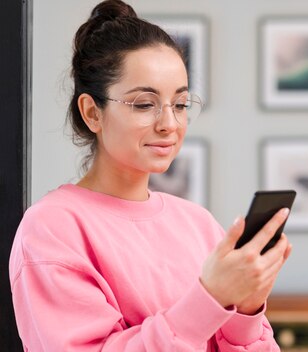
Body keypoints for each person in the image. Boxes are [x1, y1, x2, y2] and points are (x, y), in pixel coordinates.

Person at [9, 0, 292, 350]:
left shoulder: (197, 223)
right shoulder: (53, 229)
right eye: (144, 104)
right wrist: (211, 297)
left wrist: (245, 309)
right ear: (92, 113)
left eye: (181, 104)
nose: (169, 124)